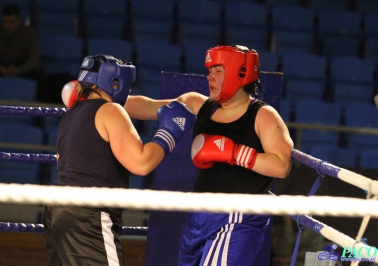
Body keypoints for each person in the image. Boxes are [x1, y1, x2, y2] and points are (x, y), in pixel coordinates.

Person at [124, 44, 294, 265]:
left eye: (218, 71)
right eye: (209, 71)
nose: (210, 77)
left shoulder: (263, 115)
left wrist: (234, 152)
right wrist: (102, 101)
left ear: (240, 73)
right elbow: (149, 107)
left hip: (238, 217)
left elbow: (281, 165)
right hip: (200, 215)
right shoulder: (200, 104)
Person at [43, 54, 196, 266]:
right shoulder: (111, 110)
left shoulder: (72, 113)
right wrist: (170, 132)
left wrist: (184, 104)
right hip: (89, 214)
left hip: (57, 212)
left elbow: (144, 105)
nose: (129, 89)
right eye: (127, 83)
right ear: (115, 82)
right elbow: (141, 164)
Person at [0, 4, 40, 79]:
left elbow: (34, 60)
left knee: (38, 74)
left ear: (19, 21)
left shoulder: (29, 33)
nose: (8, 25)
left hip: (23, 69)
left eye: (11, 22)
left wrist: (19, 70)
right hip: (2, 69)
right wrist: (2, 69)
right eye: (5, 21)